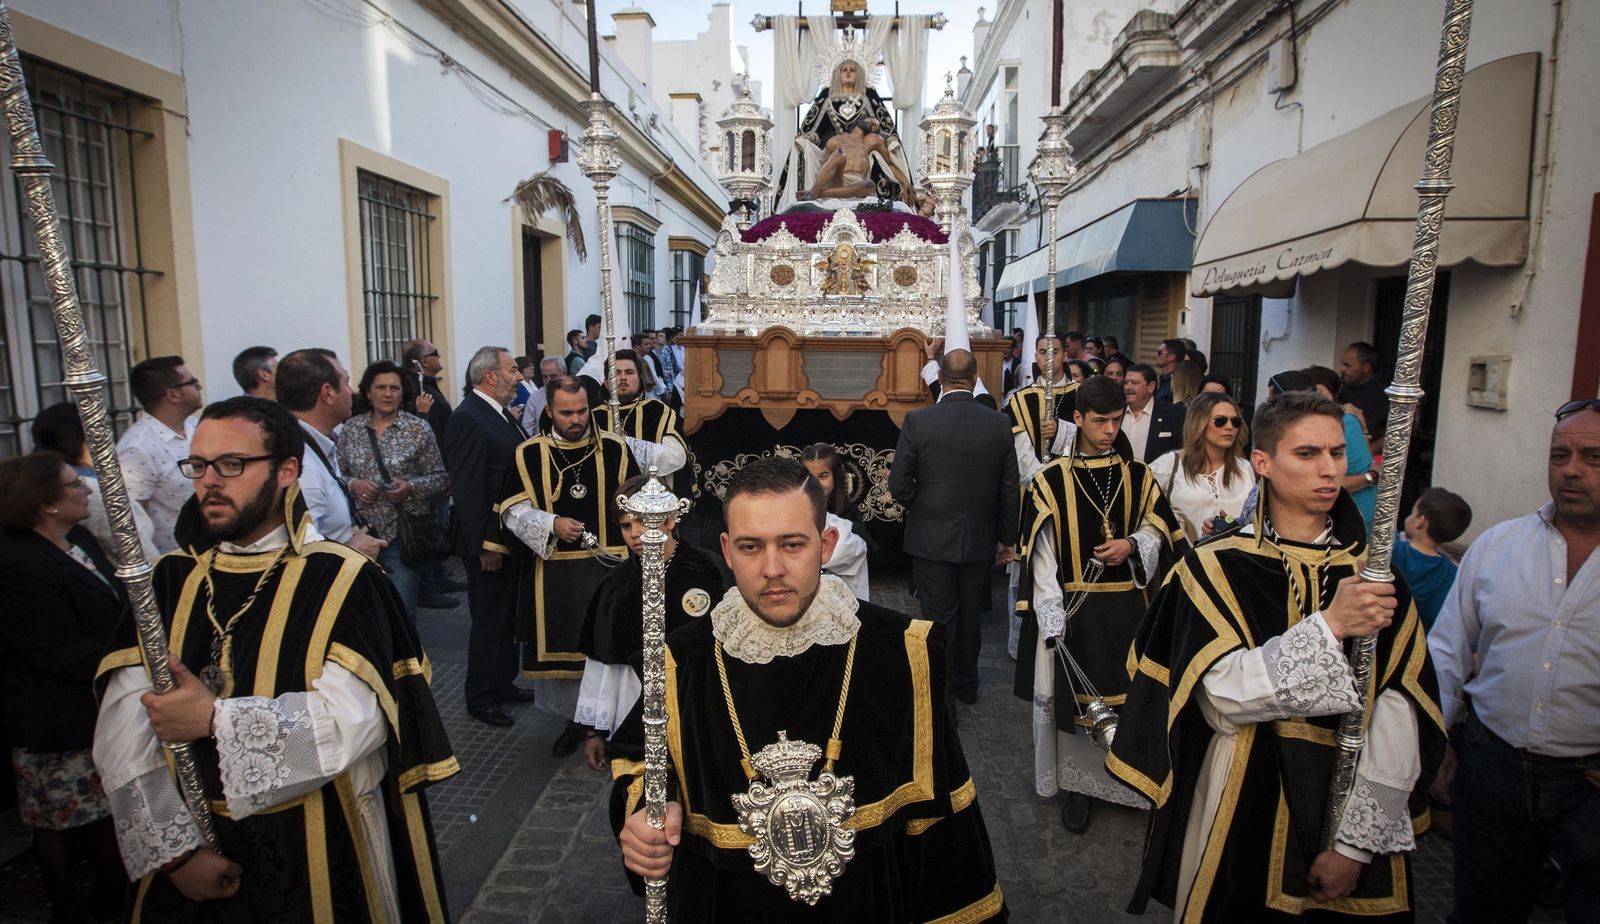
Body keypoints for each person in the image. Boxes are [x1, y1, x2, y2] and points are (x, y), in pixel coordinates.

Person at [92, 396, 457, 921]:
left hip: (324, 840)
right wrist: (177, 855)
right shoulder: (168, 583)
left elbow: (356, 723)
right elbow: (122, 738)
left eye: (232, 464)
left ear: (287, 470)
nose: (210, 481)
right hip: (194, 846)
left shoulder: (342, 579)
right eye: (198, 466)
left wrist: (213, 721)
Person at [612, 458, 1007, 921]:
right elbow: (640, 764)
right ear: (727, 548)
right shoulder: (681, 662)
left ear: (826, 544)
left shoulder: (903, 654)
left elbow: (944, 833)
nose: (772, 568)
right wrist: (641, 817)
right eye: (750, 547)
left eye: (792, 544)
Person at [1108, 390, 1446, 920]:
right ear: (1262, 463)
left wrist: (1356, 846)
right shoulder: (1215, 568)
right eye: (1307, 454)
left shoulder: (1374, 578)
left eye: (1337, 453)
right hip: (1240, 794)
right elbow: (1223, 699)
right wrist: (1332, 626)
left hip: (1349, 800)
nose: (1329, 470)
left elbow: (1400, 713)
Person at [1427, 399, 1600, 922]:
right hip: (1491, 768)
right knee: (1483, 910)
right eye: (1559, 455)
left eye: (1593, 456)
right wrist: (1438, 739)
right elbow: (1448, 648)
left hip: (1589, 788)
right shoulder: (1499, 546)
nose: (1571, 470)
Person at [1014, 375, 1186, 834]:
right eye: (1099, 421)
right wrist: (1052, 618)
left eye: (1115, 421)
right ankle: (1080, 787)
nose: (1110, 430)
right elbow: (1043, 557)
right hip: (1077, 611)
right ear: (1077, 420)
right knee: (1081, 704)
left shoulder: (1139, 475)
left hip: (1131, 607)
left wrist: (1132, 545)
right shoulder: (1049, 482)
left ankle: (1132, 780)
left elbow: (1159, 531)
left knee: (1133, 698)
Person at [0, 451, 127, 922]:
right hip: (52, 715)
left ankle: (110, 896)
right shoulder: (18, 563)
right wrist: (127, 662)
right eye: (76, 485)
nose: (87, 490)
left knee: (102, 811)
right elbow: (52, 646)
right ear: (45, 503)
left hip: (94, 703)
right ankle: (65, 908)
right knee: (59, 819)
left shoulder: (79, 539)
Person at [489, 378, 639, 756]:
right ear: (549, 411)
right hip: (554, 573)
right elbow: (510, 510)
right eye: (567, 412)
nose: (576, 419)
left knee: (611, 649)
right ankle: (577, 722)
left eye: (582, 411)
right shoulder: (528, 454)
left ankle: (619, 724)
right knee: (570, 655)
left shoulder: (616, 449)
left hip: (611, 569)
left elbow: (641, 499)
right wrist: (550, 523)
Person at [889, 350, 1020, 707]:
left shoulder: (919, 421)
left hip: (931, 538)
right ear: (976, 377)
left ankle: (940, 690)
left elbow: (898, 486)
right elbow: (1010, 488)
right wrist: (1007, 539)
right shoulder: (998, 423)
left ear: (940, 378)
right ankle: (967, 684)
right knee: (970, 615)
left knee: (938, 617)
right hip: (979, 537)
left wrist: (926, 502)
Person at [575, 472, 725, 771]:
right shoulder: (615, 586)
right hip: (636, 715)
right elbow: (603, 664)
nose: (633, 534)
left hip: (698, 707)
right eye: (626, 525)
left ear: (670, 520)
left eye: (642, 521)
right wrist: (594, 731)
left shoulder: (706, 570)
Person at [443, 346, 534, 727]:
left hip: (508, 537)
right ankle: (480, 696)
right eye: (513, 370)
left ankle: (502, 682)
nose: (519, 377)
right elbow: (468, 489)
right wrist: (485, 545)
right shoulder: (468, 418)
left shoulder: (497, 414)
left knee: (506, 616)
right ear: (490, 377)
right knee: (488, 620)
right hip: (488, 542)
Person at [337, 360, 451, 621]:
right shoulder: (351, 429)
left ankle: (405, 661)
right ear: (368, 392)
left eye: (394, 388)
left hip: (402, 536)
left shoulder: (418, 428)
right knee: (363, 614)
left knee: (400, 613)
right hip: (358, 535)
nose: (387, 394)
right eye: (380, 387)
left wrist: (410, 487)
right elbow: (335, 476)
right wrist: (354, 484)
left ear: (403, 393)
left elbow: (440, 478)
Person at [274, 348, 386, 559]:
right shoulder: (303, 469)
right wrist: (352, 551)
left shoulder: (311, 445)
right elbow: (294, 556)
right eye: (346, 382)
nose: (352, 391)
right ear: (328, 393)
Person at [32, 400, 160, 563]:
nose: (110, 436)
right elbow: (139, 553)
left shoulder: (77, 481)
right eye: (104, 430)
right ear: (89, 439)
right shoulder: (89, 491)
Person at [117, 355, 202, 553]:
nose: (199, 387)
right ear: (173, 395)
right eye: (192, 383)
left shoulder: (195, 426)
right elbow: (132, 521)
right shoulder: (137, 449)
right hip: (180, 559)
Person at [1147, 392, 1256, 543]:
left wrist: (1231, 523)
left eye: (1235, 421)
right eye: (1220, 421)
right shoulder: (1166, 466)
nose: (1230, 427)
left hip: (1234, 561)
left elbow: (1252, 521)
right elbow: (1146, 521)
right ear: (1199, 422)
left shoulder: (1245, 468)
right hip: (1186, 560)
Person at [590, 349, 692, 491]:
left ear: (639, 379)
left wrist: (628, 443)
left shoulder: (658, 411)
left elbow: (676, 457)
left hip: (647, 497)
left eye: (629, 372)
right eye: (616, 373)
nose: (623, 378)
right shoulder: (593, 417)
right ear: (606, 382)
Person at [1303, 365, 1378, 530]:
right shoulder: (1333, 420)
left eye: (1317, 391)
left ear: (1331, 393)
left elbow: (1332, 482)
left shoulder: (1343, 422)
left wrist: (1371, 476)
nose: (1310, 396)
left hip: (1359, 515)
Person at [1392, 486, 1471, 630]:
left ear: (1420, 521)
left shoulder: (1392, 552)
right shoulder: (1451, 574)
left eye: (1413, 512)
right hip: (1418, 644)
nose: (1409, 516)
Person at [802, 442, 872, 599]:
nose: (815, 483)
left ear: (836, 477)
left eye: (823, 476)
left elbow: (839, 553)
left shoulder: (849, 515)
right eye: (809, 477)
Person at [1122, 363, 1185, 463]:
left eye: (1134, 383)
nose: (1127, 387)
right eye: (1125, 382)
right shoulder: (1116, 412)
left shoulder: (1173, 414)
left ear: (1151, 386)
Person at [1337, 341, 1388, 445]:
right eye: (1342, 364)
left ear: (1366, 367)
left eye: (1347, 365)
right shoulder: (1341, 387)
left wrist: (1368, 454)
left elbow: (1395, 433)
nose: (1341, 370)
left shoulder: (1386, 394)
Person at [401, 338, 450, 445]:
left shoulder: (424, 386)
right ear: (424, 361)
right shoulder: (420, 391)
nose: (439, 356)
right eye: (435, 353)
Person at [523, 356, 565, 436]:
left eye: (553, 376)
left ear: (563, 374)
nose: (548, 381)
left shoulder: (574, 394)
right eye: (545, 377)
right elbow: (527, 428)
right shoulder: (535, 397)